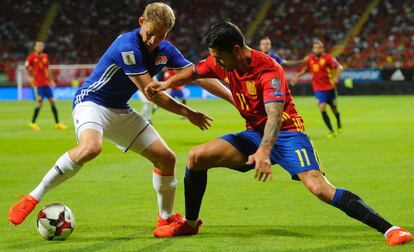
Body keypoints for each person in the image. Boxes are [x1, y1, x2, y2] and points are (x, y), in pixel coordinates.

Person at [146, 22, 413, 246]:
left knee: (319, 188)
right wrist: (166, 83)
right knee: (196, 157)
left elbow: (274, 114)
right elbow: (194, 71)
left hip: (286, 133)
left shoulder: (269, 70)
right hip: (253, 133)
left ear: (237, 50)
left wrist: (263, 150)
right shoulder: (222, 63)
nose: (215, 62)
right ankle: (191, 224)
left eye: (219, 56)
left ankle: (390, 229)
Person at [8, 3, 232, 234]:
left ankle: (165, 219)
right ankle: (33, 197)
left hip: (119, 109)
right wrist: (187, 112)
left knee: (166, 159)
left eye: (162, 35)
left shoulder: (165, 49)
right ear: (141, 22)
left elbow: (198, 74)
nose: (154, 40)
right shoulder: (127, 46)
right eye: (151, 34)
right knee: (91, 148)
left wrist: (234, 99)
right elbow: (151, 94)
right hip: (92, 102)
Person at [291, 40, 343, 138]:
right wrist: (297, 76)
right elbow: (306, 69)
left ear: (323, 49)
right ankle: (331, 131)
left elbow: (339, 67)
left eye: (319, 48)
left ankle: (338, 122)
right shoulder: (310, 59)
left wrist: (336, 77)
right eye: (315, 48)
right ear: (313, 49)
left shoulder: (328, 58)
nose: (317, 49)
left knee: (334, 109)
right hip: (318, 89)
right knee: (322, 107)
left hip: (330, 87)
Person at [24, 41, 67, 131]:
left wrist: (51, 80)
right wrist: (29, 78)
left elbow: (48, 69)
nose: (39, 47)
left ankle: (57, 123)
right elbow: (26, 68)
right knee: (39, 103)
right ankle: (32, 123)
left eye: (41, 46)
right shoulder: (31, 57)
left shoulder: (45, 56)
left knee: (52, 102)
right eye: (38, 46)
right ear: (35, 47)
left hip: (46, 84)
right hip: (38, 84)